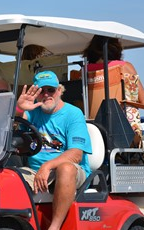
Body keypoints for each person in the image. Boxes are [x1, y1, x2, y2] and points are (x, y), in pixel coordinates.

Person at [82, 35, 144, 164]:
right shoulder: (123, 67)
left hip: (93, 128)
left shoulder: (83, 71)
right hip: (122, 131)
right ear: (116, 47)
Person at [16, 70, 92, 230]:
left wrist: (47, 166)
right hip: (35, 171)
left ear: (59, 90)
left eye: (50, 90)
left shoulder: (73, 114)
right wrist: (19, 109)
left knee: (65, 169)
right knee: (8, 177)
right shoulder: (31, 113)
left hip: (70, 171)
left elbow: (76, 155)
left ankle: (54, 227)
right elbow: (10, 129)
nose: (46, 94)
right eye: (41, 91)